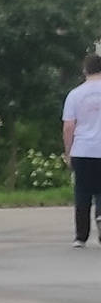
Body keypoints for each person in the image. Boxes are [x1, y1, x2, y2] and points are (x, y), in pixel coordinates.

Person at [65, 50, 101, 245]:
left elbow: (69, 126)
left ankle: (81, 236)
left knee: (82, 192)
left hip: (83, 149)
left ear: (85, 70)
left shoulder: (75, 94)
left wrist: (68, 151)